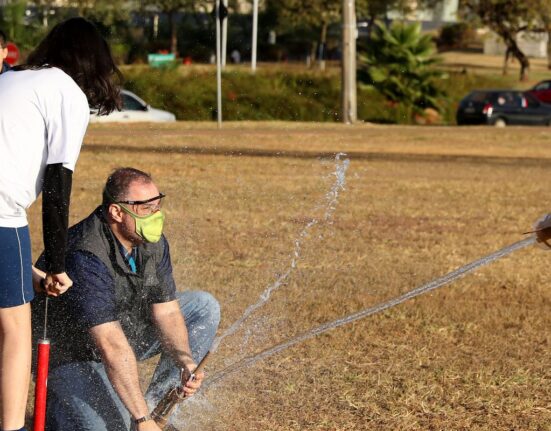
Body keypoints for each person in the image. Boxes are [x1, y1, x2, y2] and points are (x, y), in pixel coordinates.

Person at [0, 18, 121, 431]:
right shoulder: (66, 92)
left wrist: (32, 274)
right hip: (2, 215)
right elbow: (57, 186)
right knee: (15, 331)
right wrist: (56, 264)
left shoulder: (14, 78)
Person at [32, 168, 220, 431]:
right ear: (117, 212)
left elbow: (166, 312)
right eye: (146, 208)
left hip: (122, 330)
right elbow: (110, 344)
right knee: (115, 426)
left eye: (157, 205)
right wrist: (141, 419)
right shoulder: (85, 254)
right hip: (73, 355)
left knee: (203, 306)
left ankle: (156, 409)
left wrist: (185, 362)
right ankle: (64, 411)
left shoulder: (149, 240)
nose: (156, 215)